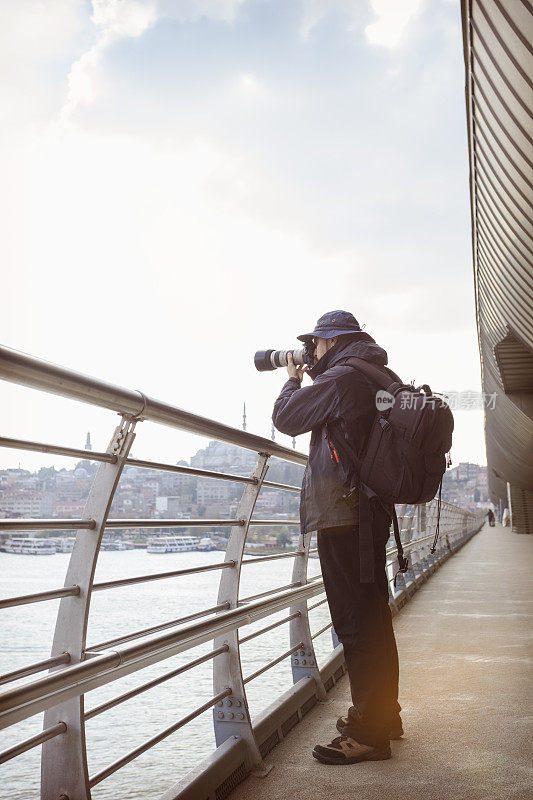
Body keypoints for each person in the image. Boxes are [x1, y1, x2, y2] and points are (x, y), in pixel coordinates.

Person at [272, 310, 402, 765]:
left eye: (317, 345)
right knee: (373, 614)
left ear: (334, 342)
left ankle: (369, 733)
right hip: (370, 510)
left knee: (355, 621)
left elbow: (287, 418)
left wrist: (292, 379)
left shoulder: (344, 377)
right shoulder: (378, 373)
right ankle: (385, 716)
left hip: (345, 512)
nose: (312, 352)